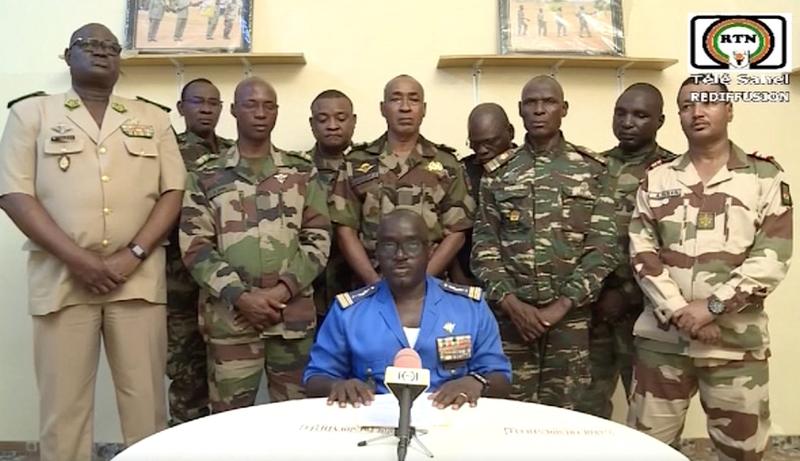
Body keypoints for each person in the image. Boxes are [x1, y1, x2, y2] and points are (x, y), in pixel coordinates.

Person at [0, 23, 186, 461]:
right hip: (62, 280)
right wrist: (79, 260)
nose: (102, 53)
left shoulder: (152, 118)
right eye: (89, 45)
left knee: (146, 406)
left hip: (137, 281)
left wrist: (134, 253)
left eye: (111, 47)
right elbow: (13, 193)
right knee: (63, 410)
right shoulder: (31, 115)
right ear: (67, 57)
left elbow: (173, 192)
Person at [627, 77, 792, 460]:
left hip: (735, 345)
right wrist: (680, 312)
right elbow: (641, 250)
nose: (697, 112)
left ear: (729, 109)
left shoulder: (765, 178)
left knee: (743, 454)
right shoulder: (657, 178)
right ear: (678, 116)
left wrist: (712, 307)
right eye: (687, 105)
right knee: (646, 452)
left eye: (707, 103)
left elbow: (772, 257)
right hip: (663, 343)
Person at [180, 76, 330, 412]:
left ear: (277, 112)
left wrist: (280, 293)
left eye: (268, 105)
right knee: (228, 425)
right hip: (231, 321)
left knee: (298, 420)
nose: (260, 113)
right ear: (233, 110)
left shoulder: (302, 172)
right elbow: (195, 246)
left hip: (290, 322)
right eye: (251, 104)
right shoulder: (205, 175)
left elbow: (318, 239)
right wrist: (242, 297)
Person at [471, 75, 619, 410]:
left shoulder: (593, 170)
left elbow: (603, 247)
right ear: (520, 111)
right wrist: (512, 305)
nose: (539, 110)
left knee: (569, 418)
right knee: (508, 413)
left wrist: (561, 306)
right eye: (531, 103)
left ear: (563, 109)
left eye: (548, 102)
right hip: (511, 322)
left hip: (571, 321)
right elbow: (484, 249)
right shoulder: (498, 173)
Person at [304, 210, 511, 408]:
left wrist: (476, 383)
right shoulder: (349, 312)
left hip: (450, 423)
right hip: (371, 424)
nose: (400, 255)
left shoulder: (469, 308)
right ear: (376, 252)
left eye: (412, 244)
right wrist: (337, 385)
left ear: (429, 251)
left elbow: (500, 376)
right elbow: (315, 377)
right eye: (389, 245)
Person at [575, 83, 677, 419]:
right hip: (594, 312)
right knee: (586, 407)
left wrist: (628, 293)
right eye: (621, 113)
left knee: (652, 411)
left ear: (660, 121)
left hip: (648, 314)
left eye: (640, 115)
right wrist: (598, 293)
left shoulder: (674, 174)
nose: (628, 122)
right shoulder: (594, 168)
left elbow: (676, 248)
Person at [329, 74, 474, 287]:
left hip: (430, 286)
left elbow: (457, 232)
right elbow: (345, 230)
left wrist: (422, 281)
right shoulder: (356, 162)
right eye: (396, 99)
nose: (405, 107)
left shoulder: (447, 164)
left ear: (423, 109)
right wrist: (374, 283)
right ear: (382, 108)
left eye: (413, 100)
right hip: (369, 286)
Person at [165, 78, 234, 426]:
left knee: (226, 370)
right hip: (181, 283)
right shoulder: (167, 149)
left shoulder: (236, 151)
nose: (206, 109)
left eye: (213, 103)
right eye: (197, 102)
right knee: (186, 369)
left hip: (228, 279)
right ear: (181, 108)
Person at [308, 89, 357, 323]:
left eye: (341, 118)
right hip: (309, 294)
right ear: (312, 124)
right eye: (323, 119)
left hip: (360, 287)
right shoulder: (294, 171)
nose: (332, 125)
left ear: (354, 121)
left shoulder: (372, 167)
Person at [452, 103, 515, 286]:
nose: (482, 150)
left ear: (510, 133)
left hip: (519, 282)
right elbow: (450, 228)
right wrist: (458, 276)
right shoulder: (463, 172)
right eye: (475, 144)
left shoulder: (528, 168)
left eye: (490, 142)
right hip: (470, 278)